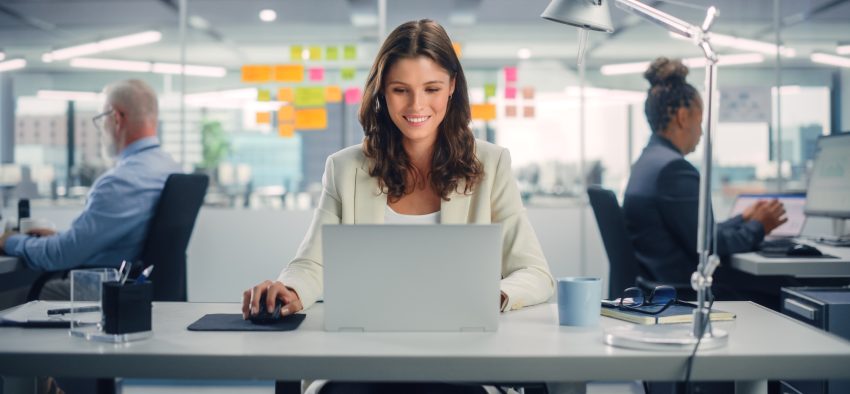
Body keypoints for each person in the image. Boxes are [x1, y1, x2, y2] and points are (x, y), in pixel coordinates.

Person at [242, 19, 554, 393]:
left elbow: (535, 273)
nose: (417, 105)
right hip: (364, 360)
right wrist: (289, 290)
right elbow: (313, 263)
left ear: (452, 87)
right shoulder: (345, 168)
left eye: (432, 89)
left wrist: (496, 294)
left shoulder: (491, 164)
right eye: (400, 90)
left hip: (462, 360)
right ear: (382, 93)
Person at [623, 57, 789, 307]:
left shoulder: (648, 163)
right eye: (700, 121)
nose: (701, 132)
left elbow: (697, 233)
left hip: (658, 286)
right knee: (787, 288)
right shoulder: (674, 170)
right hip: (687, 293)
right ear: (682, 117)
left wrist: (743, 219)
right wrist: (759, 226)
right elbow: (709, 247)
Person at [0, 79, 182, 300]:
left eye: (100, 119)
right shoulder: (169, 167)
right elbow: (117, 238)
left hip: (106, 289)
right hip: (135, 287)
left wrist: (9, 241)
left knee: (12, 295)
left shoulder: (120, 182)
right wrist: (62, 237)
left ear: (115, 118)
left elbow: (60, 255)